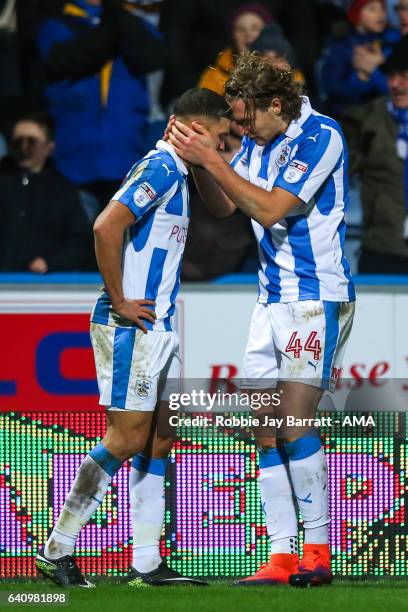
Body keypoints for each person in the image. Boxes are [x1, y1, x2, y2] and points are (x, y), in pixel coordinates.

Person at [169, 52, 355, 587]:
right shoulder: (257, 141)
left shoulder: (322, 136)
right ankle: (280, 556)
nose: (240, 128)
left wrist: (216, 157)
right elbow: (228, 207)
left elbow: (271, 209)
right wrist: (202, 159)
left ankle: (317, 553)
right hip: (268, 301)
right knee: (265, 429)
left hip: (315, 299)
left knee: (295, 423)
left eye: (245, 118)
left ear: (276, 104)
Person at [35, 88, 230, 587]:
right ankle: (56, 549)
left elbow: (225, 209)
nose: (225, 148)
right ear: (195, 128)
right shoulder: (161, 168)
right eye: (220, 138)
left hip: (157, 325)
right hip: (132, 325)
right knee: (125, 439)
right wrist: (121, 300)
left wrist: (205, 160)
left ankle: (146, 562)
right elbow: (105, 227)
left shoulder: (183, 172)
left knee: (160, 436)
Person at [37, 0, 166, 204]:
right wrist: (114, 16)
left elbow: (154, 56)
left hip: (129, 156)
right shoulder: (57, 26)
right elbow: (74, 59)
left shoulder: (134, 23)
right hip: (73, 160)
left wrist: (115, 12)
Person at [344, 35, 408, 273]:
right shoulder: (368, 119)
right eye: (391, 76)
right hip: (382, 250)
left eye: (404, 76)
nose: (396, 84)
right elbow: (340, 172)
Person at [0, 111, 91, 272]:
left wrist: (50, 263)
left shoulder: (63, 190)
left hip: (46, 287)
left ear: (49, 148)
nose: (24, 147)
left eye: (31, 141)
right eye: (18, 141)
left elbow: (80, 242)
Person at [321, 0, 400, 115]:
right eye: (372, 9)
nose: (380, 14)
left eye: (382, 8)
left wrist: (373, 69)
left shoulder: (392, 42)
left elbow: (394, 89)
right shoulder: (342, 47)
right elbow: (332, 87)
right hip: (349, 114)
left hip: (386, 110)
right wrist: (361, 78)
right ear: (357, 13)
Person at [198, 3, 273, 96]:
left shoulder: (283, 71)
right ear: (233, 36)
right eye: (240, 29)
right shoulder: (214, 76)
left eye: (255, 28)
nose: (248, 34)